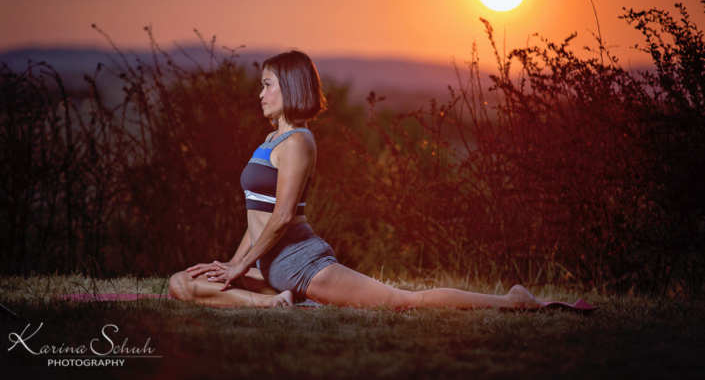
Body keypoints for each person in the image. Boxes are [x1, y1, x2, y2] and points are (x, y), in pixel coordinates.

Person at [168, 50, 542, 310]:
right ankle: (272, 304)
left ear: (291, 87)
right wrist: (233, 265)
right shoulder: (270, 141)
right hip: (268, 264)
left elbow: (281, 218)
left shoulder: (298, 141)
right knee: (181, 283)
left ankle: (511, 302)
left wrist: (240, 267)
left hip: (299, 262)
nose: (260, 93)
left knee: (402, 302)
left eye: (267, 85)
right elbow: (258, 215)